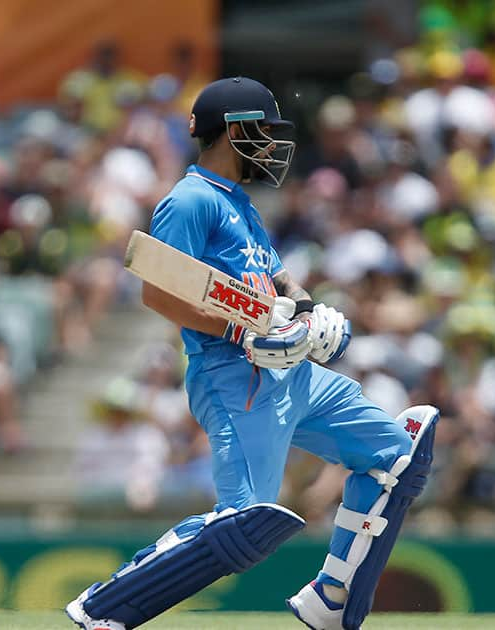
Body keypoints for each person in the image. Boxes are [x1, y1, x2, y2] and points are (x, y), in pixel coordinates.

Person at [65, 77, 439, 630]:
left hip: (294, 373)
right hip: (234, 374)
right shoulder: (189, 200)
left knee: (396, 458)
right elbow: (157, 290)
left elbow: (277, 278)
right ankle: (104, 609)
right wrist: (243, 335)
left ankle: (333, 598)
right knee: (245, 524)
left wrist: (309, 312)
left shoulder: (241, 204)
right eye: (262, 131)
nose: (271, 144)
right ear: (235, 130)